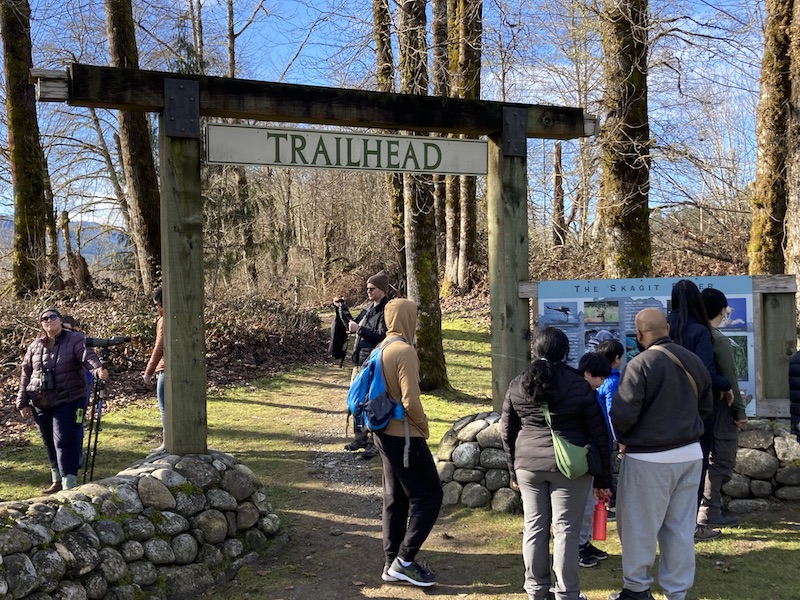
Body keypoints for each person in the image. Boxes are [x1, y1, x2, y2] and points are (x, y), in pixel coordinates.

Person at [609, 308, 713, 600]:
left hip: (648, 457)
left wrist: (625, 438)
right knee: (680, 528)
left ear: (639, 335)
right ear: (667, 327)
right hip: (690, 453)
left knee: (639, 527)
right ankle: (677, 591)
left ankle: (637, 588)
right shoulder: (692, 360)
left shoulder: (640, 364)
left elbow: (623, 413)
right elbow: (706, 407)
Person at [501, 327, 611, 600]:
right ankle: (567, 592)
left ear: (535, 349)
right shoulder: (578, 385)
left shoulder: (517, 383)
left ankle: (536, 590)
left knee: (534, 527)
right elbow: (599, 434)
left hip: (528, 464)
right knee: (566, 530)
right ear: (565, 352)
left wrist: (512, 469)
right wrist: (603, 479)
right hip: (570, 467)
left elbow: (507, 431)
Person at [373, 298, 443, 587]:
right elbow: (411, 400)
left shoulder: (380, 348)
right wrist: (423, 426)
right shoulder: (404, 351)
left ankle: (391, 561)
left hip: (381, 432)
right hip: (404, 436)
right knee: (430, 496)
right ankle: (404, 561)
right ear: (407, 318)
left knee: (396, 497)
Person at [16, 307, 109, 493]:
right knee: (49, 441)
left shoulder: (75, 339)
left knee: (65, 439)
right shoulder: (34, 346)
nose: (49, 320)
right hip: (40, 401)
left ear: (60, 320)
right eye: (44, 318)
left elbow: (87, 356)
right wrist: (22, 401)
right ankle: (56, 480)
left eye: (52, 317)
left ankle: (69, 484)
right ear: (41, 324)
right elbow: (26, 374)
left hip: (69, 398)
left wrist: (98, 370)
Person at [666, 279, 731, 542]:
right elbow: (705, 371)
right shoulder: (699, 330)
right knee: (696, 466)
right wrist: (725, 385)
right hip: (696, 409)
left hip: (665, 407)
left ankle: (668, 523)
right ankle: (690, 525)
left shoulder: (665, 326)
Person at [698, 288, 747, 526]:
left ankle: (704, 508)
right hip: (720, 408)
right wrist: (739, 411)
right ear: (722, 310)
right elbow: (730, 379)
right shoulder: (717, 339)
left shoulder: (692, 335)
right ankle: (710, 511)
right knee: (721, 461)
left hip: (697, 409)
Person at [334, 270, 389, 459]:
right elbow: (352, 325)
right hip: (359, 363)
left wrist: (360, 329)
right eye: (367, 288)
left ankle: (375, 443)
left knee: (371, 404)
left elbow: (382, 335)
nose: (368, 292)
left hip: (373, 365)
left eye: (372, 288)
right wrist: (341, 308)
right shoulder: (369, 308)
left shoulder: (386, 310)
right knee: (355, 401)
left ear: (381, 289)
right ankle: (360, 438)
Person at [575, 353, 612, 570]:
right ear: (588, 374)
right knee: (581, 506)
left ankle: (584, 541)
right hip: (582, 456)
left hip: (593, 457)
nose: (602, 383)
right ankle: (577, 547)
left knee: (589, 504)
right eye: (601, 378)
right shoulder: (580, 395)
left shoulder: (592, 394)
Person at [143, 287, 165, 452]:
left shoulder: (164, 321)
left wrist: (149, 372)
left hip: (166, 368)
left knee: (164, 406)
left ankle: (167, 441)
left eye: (157, 304)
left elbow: (159, 347)